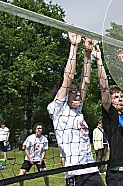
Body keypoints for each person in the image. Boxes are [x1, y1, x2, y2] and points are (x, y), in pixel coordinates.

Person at [47, 32, 104, 186]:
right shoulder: (58, 109)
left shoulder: (77, 111)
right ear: (64, 95)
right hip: (76, 174)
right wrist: (74, 46)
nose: (77, 93)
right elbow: (68, 78)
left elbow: (85, 81)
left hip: (92, 170)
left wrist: (87, 53)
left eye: (77, 91)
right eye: (72, 91)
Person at [93, 46, 123, 186]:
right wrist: (99, 60)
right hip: (116, 173)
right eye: (116, 97)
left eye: (121, 96)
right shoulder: (110, 114)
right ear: (110, 101)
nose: (121, 99)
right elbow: (104, 88)